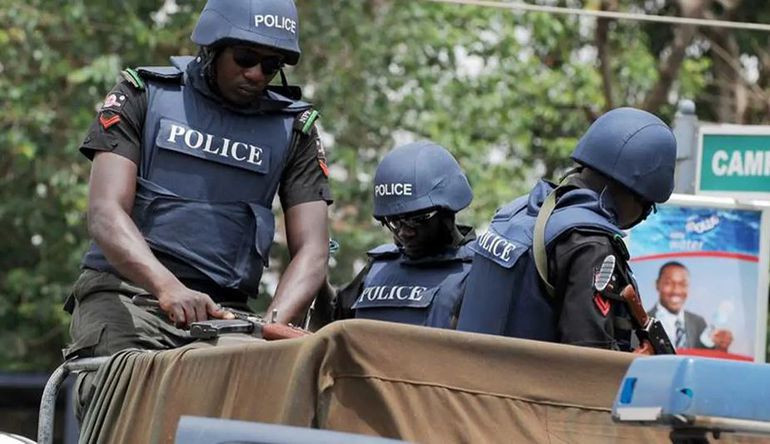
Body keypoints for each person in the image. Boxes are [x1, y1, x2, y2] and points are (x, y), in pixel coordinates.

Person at [64, 0, 332, 365]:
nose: (256, 73)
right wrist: (167, 287)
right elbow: (104, 214)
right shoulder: (142, 93)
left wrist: (272, 327)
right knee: (130, 399)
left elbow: (313, 252)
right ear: (212, 47)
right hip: (129, 295)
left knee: (258, 405)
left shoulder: (295, 129)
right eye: (244, 57)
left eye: (270, 65)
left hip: (225, 317)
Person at [456, 107, 677, 351]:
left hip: (470, 382)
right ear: (633, 193)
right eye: (647, 207)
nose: (643, 216)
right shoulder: (591, 244)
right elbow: (588, 356)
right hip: (526, 387)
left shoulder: (515, 214)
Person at [324, 141, 476, 328]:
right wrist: (317, 274)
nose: (404, 232)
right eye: (394, 221)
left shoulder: (477, 272)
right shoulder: (378, 268)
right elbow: (330, 327)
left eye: (416, 219)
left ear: (447, 211)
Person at [648, 261, 733, 351]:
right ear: (657, 284)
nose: (676, 290)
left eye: (683, 284)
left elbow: (705, 356)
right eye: (668, 283)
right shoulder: (643, 322)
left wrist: (720, 347)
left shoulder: (698, 322)